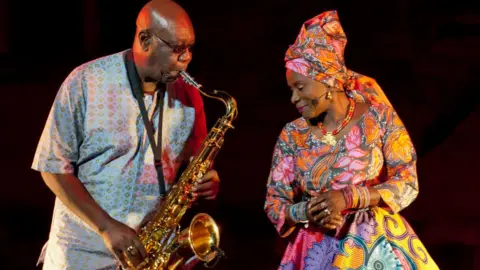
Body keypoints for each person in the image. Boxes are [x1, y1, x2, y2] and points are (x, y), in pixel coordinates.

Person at [32, 1, 220, 269]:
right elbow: (52, 168)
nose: (186, 58)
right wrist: (106, 226)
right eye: (177, 49)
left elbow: (195, 164)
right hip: (81, 254)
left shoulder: (190, 97)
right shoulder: (86, 81)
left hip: (149, 254)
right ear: (145, 40)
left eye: (189, 48)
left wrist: (208, 181)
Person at [264, 10, 439, 269]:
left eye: (301, 87)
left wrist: (349, 197)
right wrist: (305, 211)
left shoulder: (377, 117)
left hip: (376, 248)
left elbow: (407, 181)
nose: (294, 98)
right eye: (291, 90)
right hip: (315, 252)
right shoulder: (293, 135)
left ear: (328, 81)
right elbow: (274, 201)